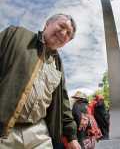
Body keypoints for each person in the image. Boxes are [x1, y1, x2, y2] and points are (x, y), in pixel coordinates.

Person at [0, 14, 81, 149]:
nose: (63, 33)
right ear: (47, 24)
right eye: (62, 26)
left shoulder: (58, 64)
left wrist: (71, 136)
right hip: (4, 133)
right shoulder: (15, 35)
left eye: (68, 34)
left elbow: (63, 104)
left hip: (39, 133)